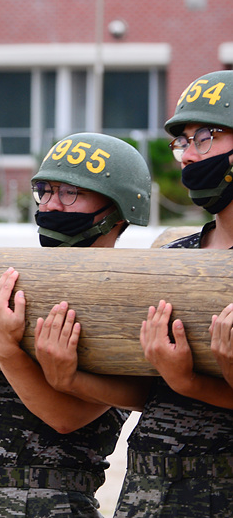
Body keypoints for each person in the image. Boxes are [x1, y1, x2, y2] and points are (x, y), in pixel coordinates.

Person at [0, 132, 151, 517]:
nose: (51, 205)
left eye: (70, 193)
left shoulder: (125, 299)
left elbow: (65, 418)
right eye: (45, 191)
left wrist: (6, 348)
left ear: (118, 209)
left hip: (52, 502)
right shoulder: (17, 280)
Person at [109, 70, 233, 516]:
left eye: (205, 137)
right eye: (182, 141)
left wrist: (191, 382)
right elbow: (148, 392)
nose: (188, 155)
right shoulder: (172, 254)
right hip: (146, 489)